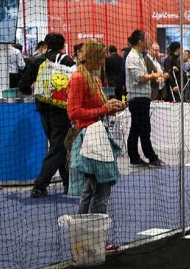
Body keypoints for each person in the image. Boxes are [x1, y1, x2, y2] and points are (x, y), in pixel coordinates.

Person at [65, 39, 127, 220]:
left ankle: (84, 229)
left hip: (97, 135)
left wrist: (112, 107)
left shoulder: (95, 79)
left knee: (91, 189)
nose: (102, 61)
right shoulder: (78, 78)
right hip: (87, 139)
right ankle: (94, 229)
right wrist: (103, 110)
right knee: (101, 188)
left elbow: (99, 108)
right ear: (92, 57)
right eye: (100, 58)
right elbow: (73, 112)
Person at [18, 32, 75, 198]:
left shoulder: (37, 60)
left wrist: (34, 91)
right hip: (61, 110)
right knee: (58, 148)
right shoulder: (67, 60)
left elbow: (23, 85)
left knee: (59, 146)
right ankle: (40, 185)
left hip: (43, 108)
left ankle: (68, 183)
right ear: (62, 45)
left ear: (46, 44)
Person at [124, 29, 167, 167]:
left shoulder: (140, 56)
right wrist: (154, 75)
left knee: (136, 128)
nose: (147, 43)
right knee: (144, 129)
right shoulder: (132, 57)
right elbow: (140, 78)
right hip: (137, 99)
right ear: (139, 42)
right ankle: (151, 157)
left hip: (142, 98)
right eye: (145, 40)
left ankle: (134, 157)